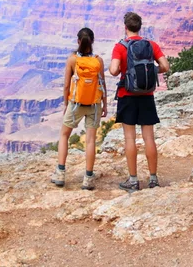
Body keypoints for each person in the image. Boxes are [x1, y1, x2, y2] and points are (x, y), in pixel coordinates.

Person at [109, 12, 170, 192]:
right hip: (147, 96)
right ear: (140, 27)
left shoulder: (120, 47)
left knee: (130, 138)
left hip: (126, 95)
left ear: (125, 27)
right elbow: (165, 66)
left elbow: (113, 70)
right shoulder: (151, 45)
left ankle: (133, 180)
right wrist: (151, 71)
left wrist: (123, 69)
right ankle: (153, 179)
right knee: (149, 137)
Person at [51, 27, 107, 190]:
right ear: (93, 41)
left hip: (75, 104)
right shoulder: (98, 60)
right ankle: (88, 178)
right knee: (90, 141)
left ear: (78, 41)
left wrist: (66, 104)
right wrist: (104, 104)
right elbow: (102, 84)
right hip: (94, 104)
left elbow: (67, 84)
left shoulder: (72, 60)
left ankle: (60, 173)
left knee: (64, 135)